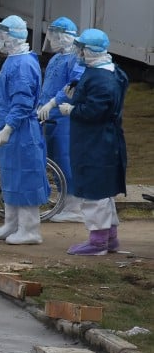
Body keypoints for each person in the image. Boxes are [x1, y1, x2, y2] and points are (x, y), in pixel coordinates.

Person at [60, 28, 129, 256]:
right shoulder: (108, 71)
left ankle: (98, 241)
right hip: (101, 140)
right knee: (104, 189)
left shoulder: (102, 79)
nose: (79, 53)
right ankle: (110, 237)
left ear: (91, 50)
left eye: (82, 49)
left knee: (95, 190)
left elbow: (96, 110)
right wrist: (76, 89)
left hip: (96, 142)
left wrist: (73, 109)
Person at [0, 14, 48, 245]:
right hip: (9, 129)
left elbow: (22, 102)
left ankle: (30, 229)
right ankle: (12, 223)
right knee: (11, 176)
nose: (0, 39)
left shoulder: (23, 64)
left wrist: (9, 128)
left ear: (12, 37)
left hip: (21, 131)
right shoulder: (14, 59)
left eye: (3, 35)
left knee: (26, 177)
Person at [37, 17, 85, 222]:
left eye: (56, 36)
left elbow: (72, 88)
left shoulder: (76, 60)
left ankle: (75, 206)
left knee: (66, 157)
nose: (53, 40)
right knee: (55, 158)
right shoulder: (56, 58)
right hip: (49, 117)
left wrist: (53, 103)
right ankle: (64, 201)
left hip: (65, 118)